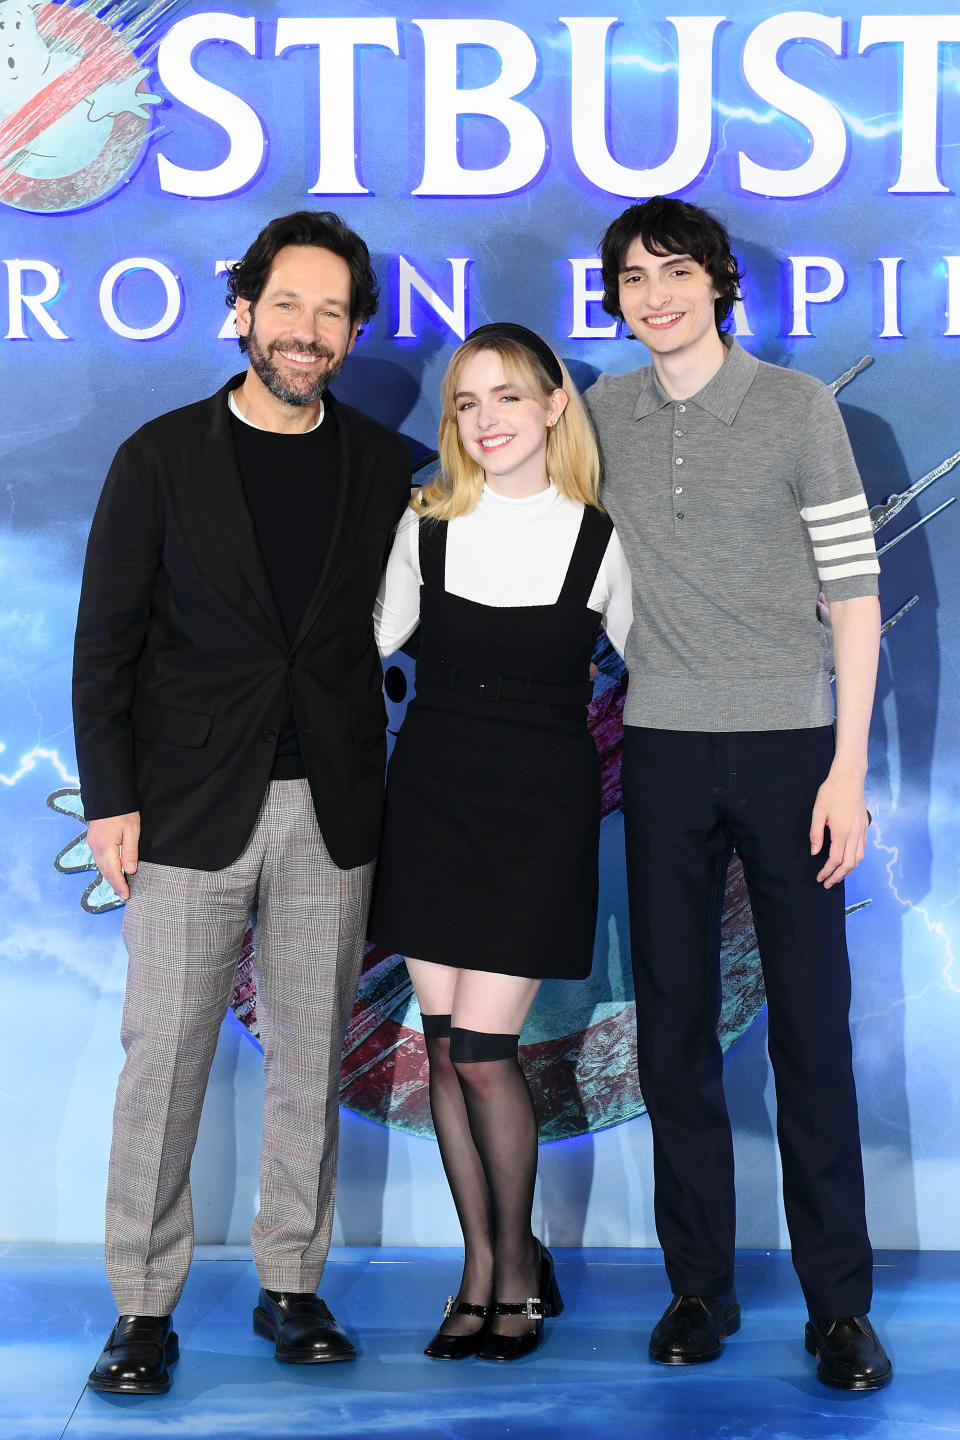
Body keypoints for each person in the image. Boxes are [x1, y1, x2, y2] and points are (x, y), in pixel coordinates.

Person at [73, 211, 411, 1393]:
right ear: (245, 312)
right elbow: (104, 644)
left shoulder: (382, 465)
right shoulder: (158, 457)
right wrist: (111, 797)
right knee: (161, 1055)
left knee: (310, 1056)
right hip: (184, 809)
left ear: (354, 331)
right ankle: (144, 1307)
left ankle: (291, 1282)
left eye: (332, 313)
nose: (307, 332)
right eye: (287, 306)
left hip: (331, 807)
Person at [585, 195, 891, 1390]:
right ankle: (697, 1290)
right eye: (632, 278)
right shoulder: (599, 412)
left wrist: (848, 769)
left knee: (812, 1033)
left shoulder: (798, 409)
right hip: (659, 746)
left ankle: (840, 1309)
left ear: (719, 282)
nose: (655, 295)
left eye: (675, 271)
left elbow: (854, 595)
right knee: (674, 1037)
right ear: (614, 299)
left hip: (791, 750)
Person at [369, 323, 632, 1362]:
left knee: (484, 1053)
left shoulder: (599, 541)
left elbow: (667, 667)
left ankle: (515, 1269)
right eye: (468, 403)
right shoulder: (423, 526)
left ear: (555, 406)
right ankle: (481, 1266)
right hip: (432, 801)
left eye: (508, 398)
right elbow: (358, 647)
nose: (486, 421)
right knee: (440, 1044)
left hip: (538, 816)